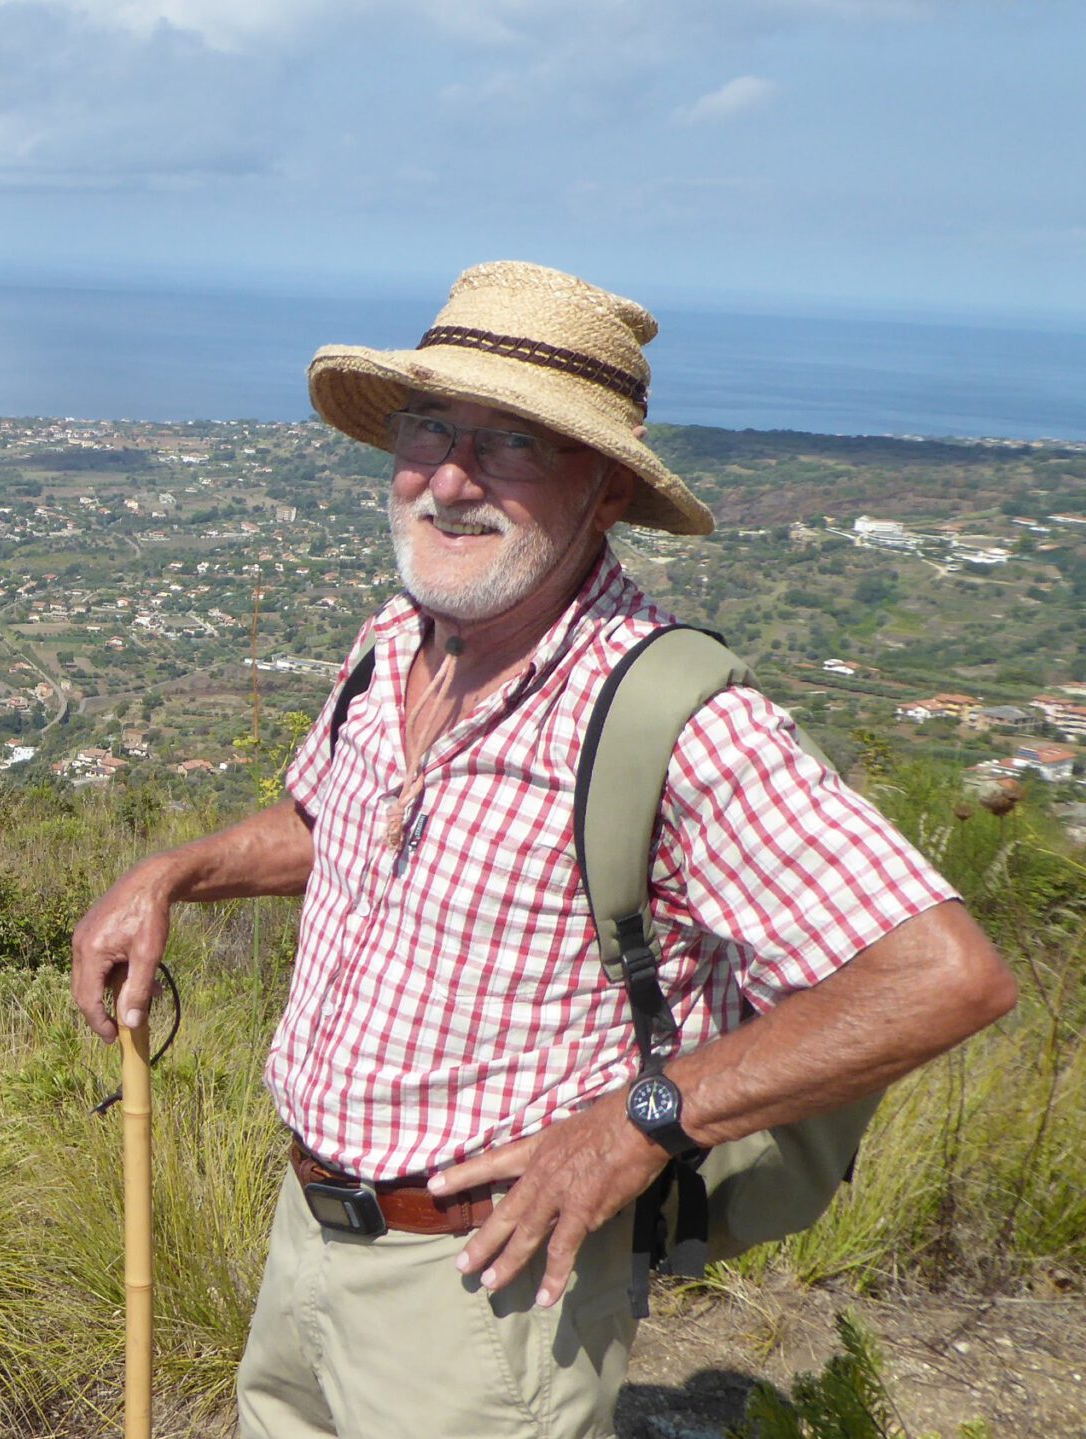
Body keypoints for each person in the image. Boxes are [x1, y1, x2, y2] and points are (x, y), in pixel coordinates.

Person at [69, 261, 1016, 1438]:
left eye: (514, 444)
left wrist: (640, 1120)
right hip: (310, 1223)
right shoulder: (400, 641)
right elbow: (336, 820)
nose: (450, 479)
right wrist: (175, 873)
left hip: (485, 1287)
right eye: (430, 428)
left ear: (604, 485)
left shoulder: (672, 717)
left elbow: (944, 973)